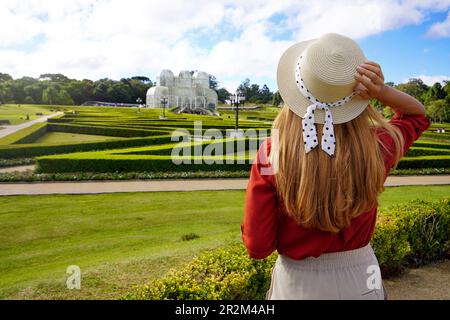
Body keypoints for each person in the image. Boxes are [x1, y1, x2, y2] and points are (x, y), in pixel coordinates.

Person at [241, 33, 430, 300]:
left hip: (298, 284)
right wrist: (380, 92)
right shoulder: (375, 147)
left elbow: (258, 247)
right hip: (362, 277)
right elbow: (418, 115)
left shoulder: (273, 153)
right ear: (356, 98)